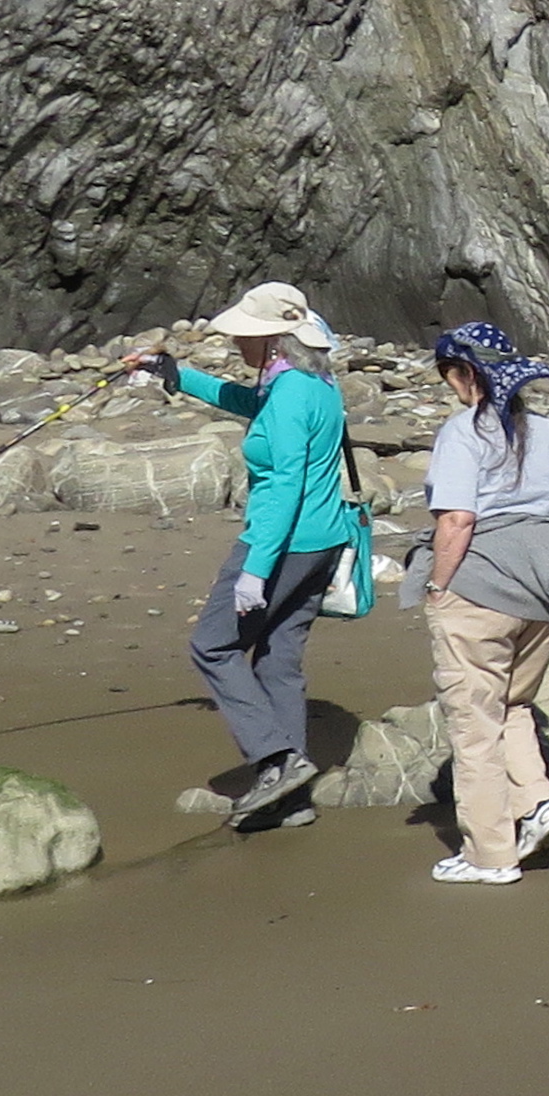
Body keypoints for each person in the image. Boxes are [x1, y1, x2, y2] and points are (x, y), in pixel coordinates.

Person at [130, 282, 366, 827]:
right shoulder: (314, 381)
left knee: (212, 647)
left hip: (283, 545)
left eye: (245, 336)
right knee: (279, 661)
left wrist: (254, 572)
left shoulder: (288, 394)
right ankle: (292, 796)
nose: (237, 343)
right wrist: (175, 374)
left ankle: (277, 760)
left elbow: (284, 486)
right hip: (323, 544)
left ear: (274, 340)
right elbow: (247, 402)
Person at [415, 323, 549, 885]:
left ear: (466, 375)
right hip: (547, 588)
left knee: (475, 723)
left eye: (452, 377)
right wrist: (544, 568)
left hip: (481, 587)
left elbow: (458, 519)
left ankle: (490, 854)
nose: (453, 389)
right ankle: (538, 804)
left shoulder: (462, 433)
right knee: (513, 705)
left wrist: (438, 586)